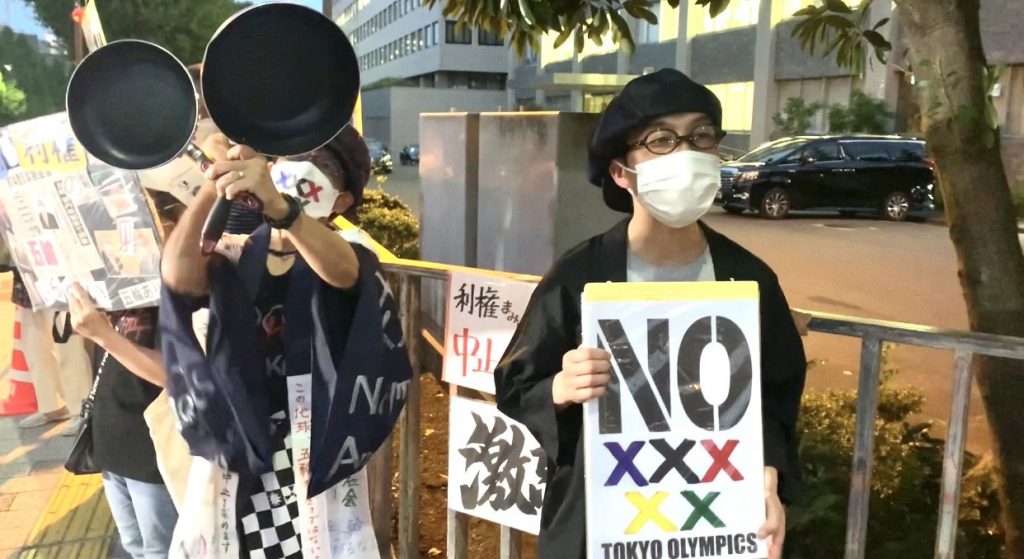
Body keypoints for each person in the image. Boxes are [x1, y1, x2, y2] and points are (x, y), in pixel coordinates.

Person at [493, 69, 807, 559]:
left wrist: (766, 477)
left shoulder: (748, 279)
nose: (687, 152)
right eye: (662, 140)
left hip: (711, 524)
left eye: (702, 135)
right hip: (601, 522)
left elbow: (776, 397)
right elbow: (516, 385)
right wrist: (561, 386)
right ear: (621, 172)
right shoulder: (580, 276)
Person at [159, 124, 411, 557]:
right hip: (241, 453)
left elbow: (345, 274)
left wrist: (282, 210)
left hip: (315, 454)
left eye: (325, 165)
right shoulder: (235, 252)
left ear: (344, 200)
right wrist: (213, 183)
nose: (304, 168)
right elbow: (178, 276)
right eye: (293, 157)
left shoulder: (349, 250)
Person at [66, 191, 185, 559]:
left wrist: (104, 334)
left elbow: (178, 377)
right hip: (110, 440)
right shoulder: (119, 282)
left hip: (153, 450)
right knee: (134, 547)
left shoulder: (189, 289)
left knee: (160, 550)